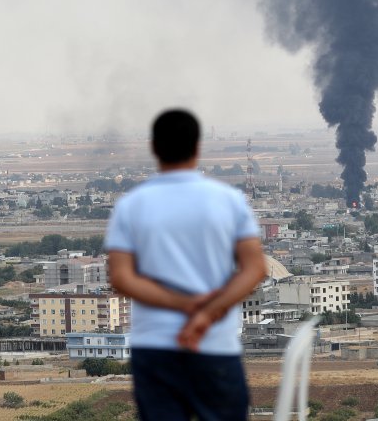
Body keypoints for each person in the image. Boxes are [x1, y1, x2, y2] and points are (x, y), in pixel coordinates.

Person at [106, 109, 267, 421]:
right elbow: (254, 269)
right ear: (197, 147)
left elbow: (121, 277)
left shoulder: (131, 205)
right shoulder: (229, 200)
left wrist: (180, 303)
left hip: (154, 347)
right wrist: (206, 313)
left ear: (154, 147)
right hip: (215, 345)